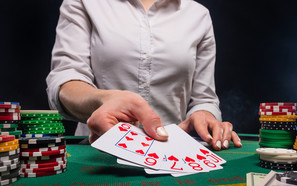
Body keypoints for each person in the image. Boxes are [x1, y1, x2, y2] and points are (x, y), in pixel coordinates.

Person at [46, 0, 242, 150]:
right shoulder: (84, 3)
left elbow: (204, 99)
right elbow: (65, 80)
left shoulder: (198, 15)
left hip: (173, 155)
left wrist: (204, 115)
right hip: (98, 153)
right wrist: (103, 100)